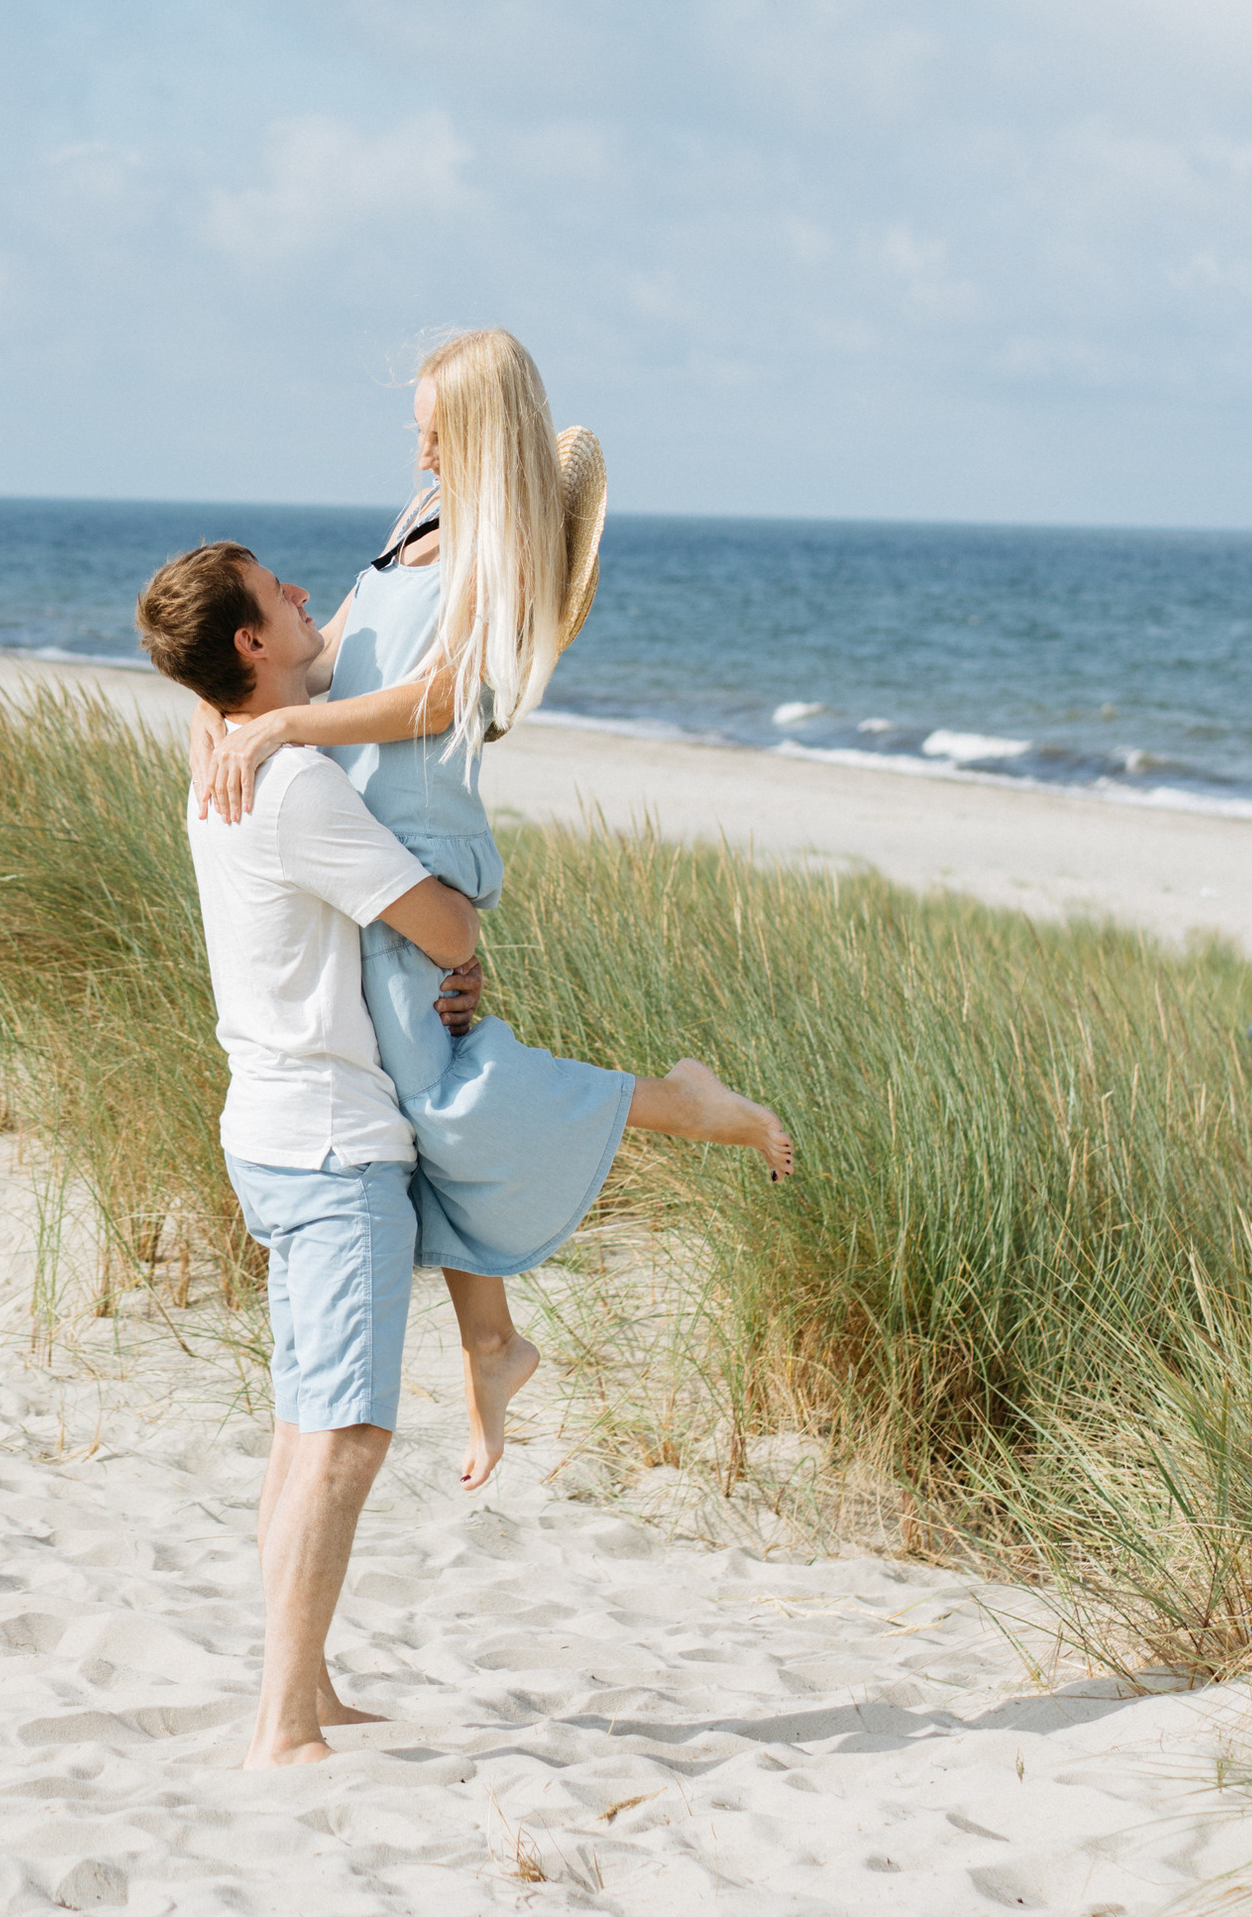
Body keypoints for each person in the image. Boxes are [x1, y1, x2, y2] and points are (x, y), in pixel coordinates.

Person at [191, 329, 794, 1484]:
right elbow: (331, 667)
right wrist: (221, 706)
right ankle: (489, 1337)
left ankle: (682, 1103)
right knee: (420, 1099)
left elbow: (437, 697)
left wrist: (280, 727)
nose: (415, 444)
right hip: (368, 845)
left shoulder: (493, 548)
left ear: (479, 433)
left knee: (443, 1089)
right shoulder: (413, 522)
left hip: (417, 842)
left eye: (433, 427)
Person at [133, 542, 489, 1767]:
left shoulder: (220, 757)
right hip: (333, 1151)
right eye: (278, 593)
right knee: (343, 1434)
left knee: (303, 1425)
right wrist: (465, 935)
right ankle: (283, 1721)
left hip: (272, 1132)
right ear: (247, 647)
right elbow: (444, 925)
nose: (304, 598)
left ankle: (310, 1684)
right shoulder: (290, 787)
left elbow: (271, 661)